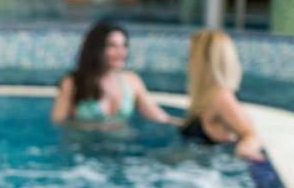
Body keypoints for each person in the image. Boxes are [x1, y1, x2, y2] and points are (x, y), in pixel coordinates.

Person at [50, 20, 179, 127]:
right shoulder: (73, 82)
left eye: (124, 46)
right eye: (112, 46)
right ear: (96, 49)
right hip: (85, 148)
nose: (121, 53)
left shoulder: (132, 81)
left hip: (122, 151)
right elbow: (58, 123)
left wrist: (187, 125)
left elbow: (160, 117)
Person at [181, 29, 266, 161]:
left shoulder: (221, 96)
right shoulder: (207, 97)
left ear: (205, 62)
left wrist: (246, 149)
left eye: (192, 56)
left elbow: (251, 135)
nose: (188, 63)